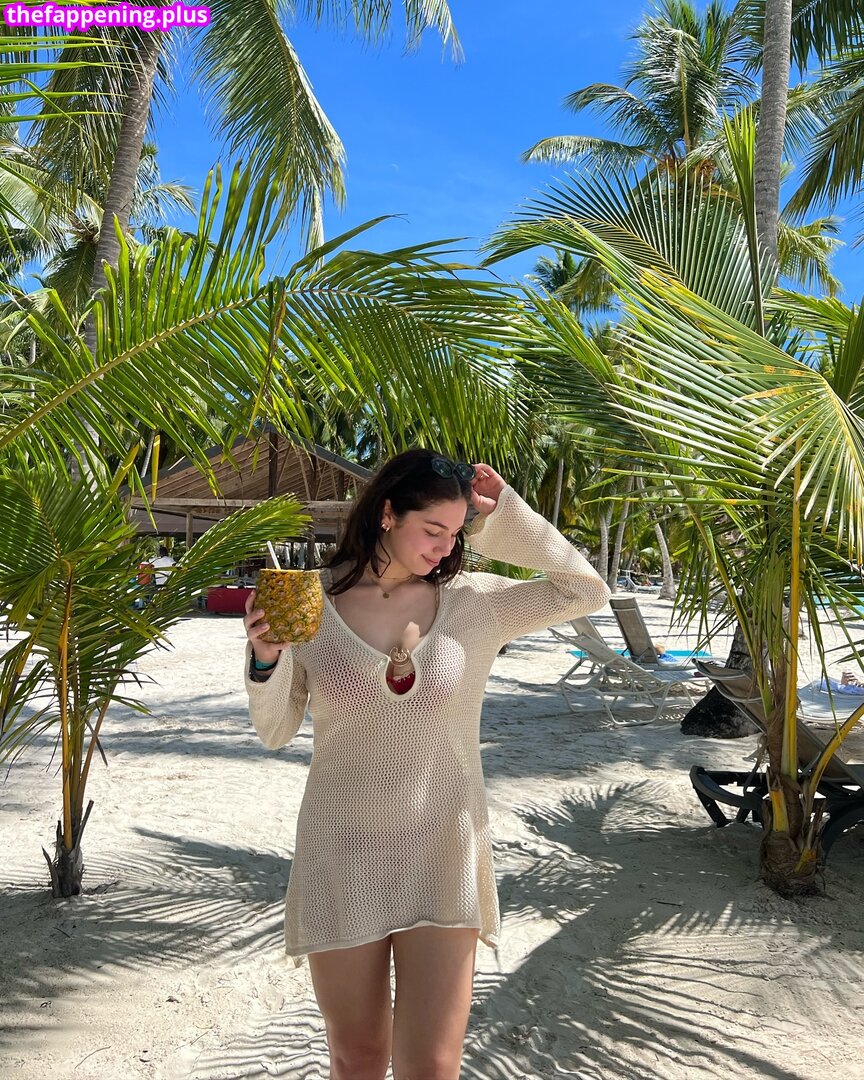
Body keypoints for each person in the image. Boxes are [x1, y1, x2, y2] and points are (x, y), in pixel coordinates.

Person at [242, 449, 611, 1080]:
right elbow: (275, 729)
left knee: (432, 1065)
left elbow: (585, 589)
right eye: (432, 529)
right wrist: (265, 658)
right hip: (342, 854)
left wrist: (503, 516)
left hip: (445, 853)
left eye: (456, 533)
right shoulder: (309, 603)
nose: (445, 548)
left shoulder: (475, 604)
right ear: (388, 513)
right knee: (356, 1059)